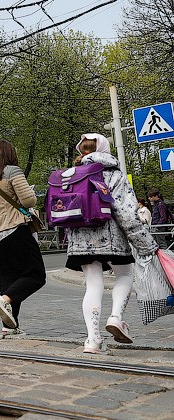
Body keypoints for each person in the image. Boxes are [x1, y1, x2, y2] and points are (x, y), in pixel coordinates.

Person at [64, 133, 157, 354]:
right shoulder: (114, 175)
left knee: (93, 286)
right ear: (105, 149)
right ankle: (116, 317)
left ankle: (92, 340)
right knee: (125, 275)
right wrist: (146, 245)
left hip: (80, 240)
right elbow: (126, 214)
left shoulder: (72, 175)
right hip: (112, 239)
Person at [0, 140, 46, 336]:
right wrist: (30, 193)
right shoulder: (13, 171)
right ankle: (4, 301)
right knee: (36, 275)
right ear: (10, 154)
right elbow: (29, 200)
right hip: (15, 229)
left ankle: (8, 327)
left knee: (8, 281)